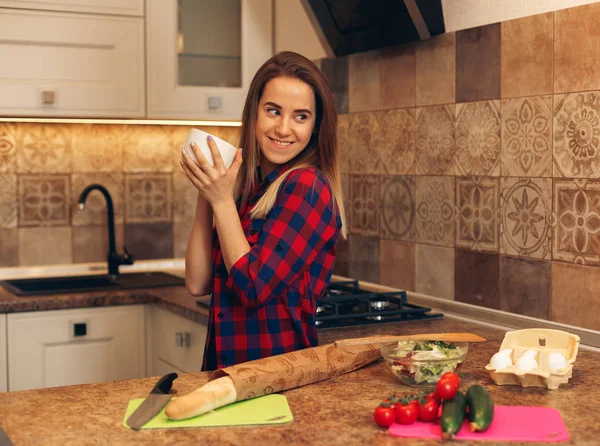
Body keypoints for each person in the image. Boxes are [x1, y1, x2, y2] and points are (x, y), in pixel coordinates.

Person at [180, 51, 347, 371]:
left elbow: (253, 286)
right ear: (254, 114)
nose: (284, 128)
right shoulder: (250, 191)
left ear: (315, 127)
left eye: (301, 116)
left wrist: (221, 201)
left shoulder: (307, 188)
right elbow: (197, 283)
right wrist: (208, 193)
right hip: (226, 377)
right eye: (273, 111)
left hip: (275, 381)